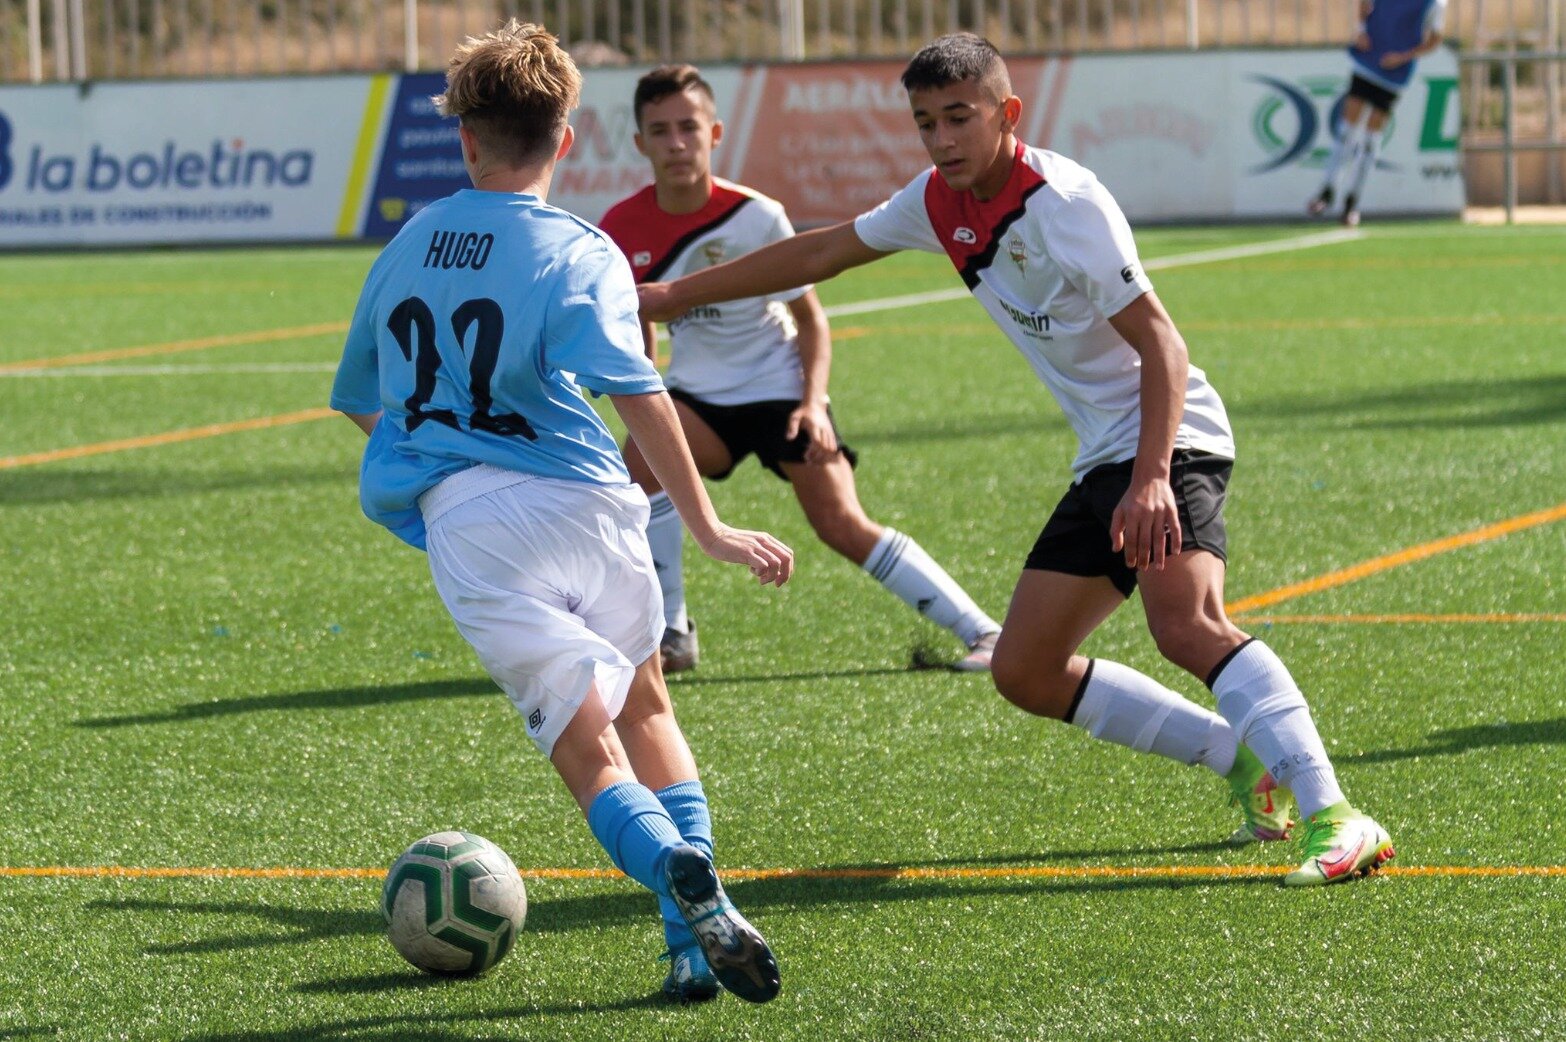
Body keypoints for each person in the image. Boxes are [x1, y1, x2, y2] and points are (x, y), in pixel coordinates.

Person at [639, 32, 1395, 887]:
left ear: (1008, 114)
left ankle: (1337, 815)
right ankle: (1240, 762)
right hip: (1108, 456)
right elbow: (820, 252)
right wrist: (670, 294)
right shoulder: (935, 201)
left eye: (959, 118)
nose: (942, 140)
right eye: (925, 123)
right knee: (1025, 671)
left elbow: (1165, 349)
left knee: (1183, 623)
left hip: (1171, 436)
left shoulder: (1066, 201)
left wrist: (1151, 479)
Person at [329, 21, 785, 1002]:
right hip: (590, 497)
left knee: (590, 752)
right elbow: (639, 391)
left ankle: (671, 868)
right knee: (650, 704)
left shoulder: (407, 243)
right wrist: (706, 527)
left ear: (465, 138)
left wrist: (427, 449)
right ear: (565, 137)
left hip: (476, 524)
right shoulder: (584, 250)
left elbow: (359, 392)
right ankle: (687, 944)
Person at [598, 64, 1002, 675]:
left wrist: (813, 405)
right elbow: (641, 336)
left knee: (841, 523)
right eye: (660, 131)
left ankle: (985, 631)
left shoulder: (758, 216)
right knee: (640, 467)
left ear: (715, 133)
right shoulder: (620, 227)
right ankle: (673, 632)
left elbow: (810, 322)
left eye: (689, 127)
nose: (676, 143)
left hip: (782, 392)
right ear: (639, 144)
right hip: (698, 398)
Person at [1308, 0, 1448, 226]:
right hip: (1369, 58)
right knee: (1347, 129)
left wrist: (1404, 57)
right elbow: (1364, 5)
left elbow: (1435, 40)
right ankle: (1327, 190)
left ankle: (1352, 201)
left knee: (1371, 136)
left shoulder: (1436, 3)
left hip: (1394, 72)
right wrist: (1361, 30)